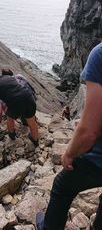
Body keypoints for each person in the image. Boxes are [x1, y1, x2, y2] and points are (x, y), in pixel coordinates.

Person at [36, 42, 102, 230]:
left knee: (62, 186)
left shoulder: (100, 54)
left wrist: (69, 154)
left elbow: (89, 131)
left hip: (98, 160)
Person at [0, 66, 38, 145]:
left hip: (16, 102)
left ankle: (12, 136)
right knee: (32, 122)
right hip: (28, 96)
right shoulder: (8, 77)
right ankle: (35, 140)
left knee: (10, 118)